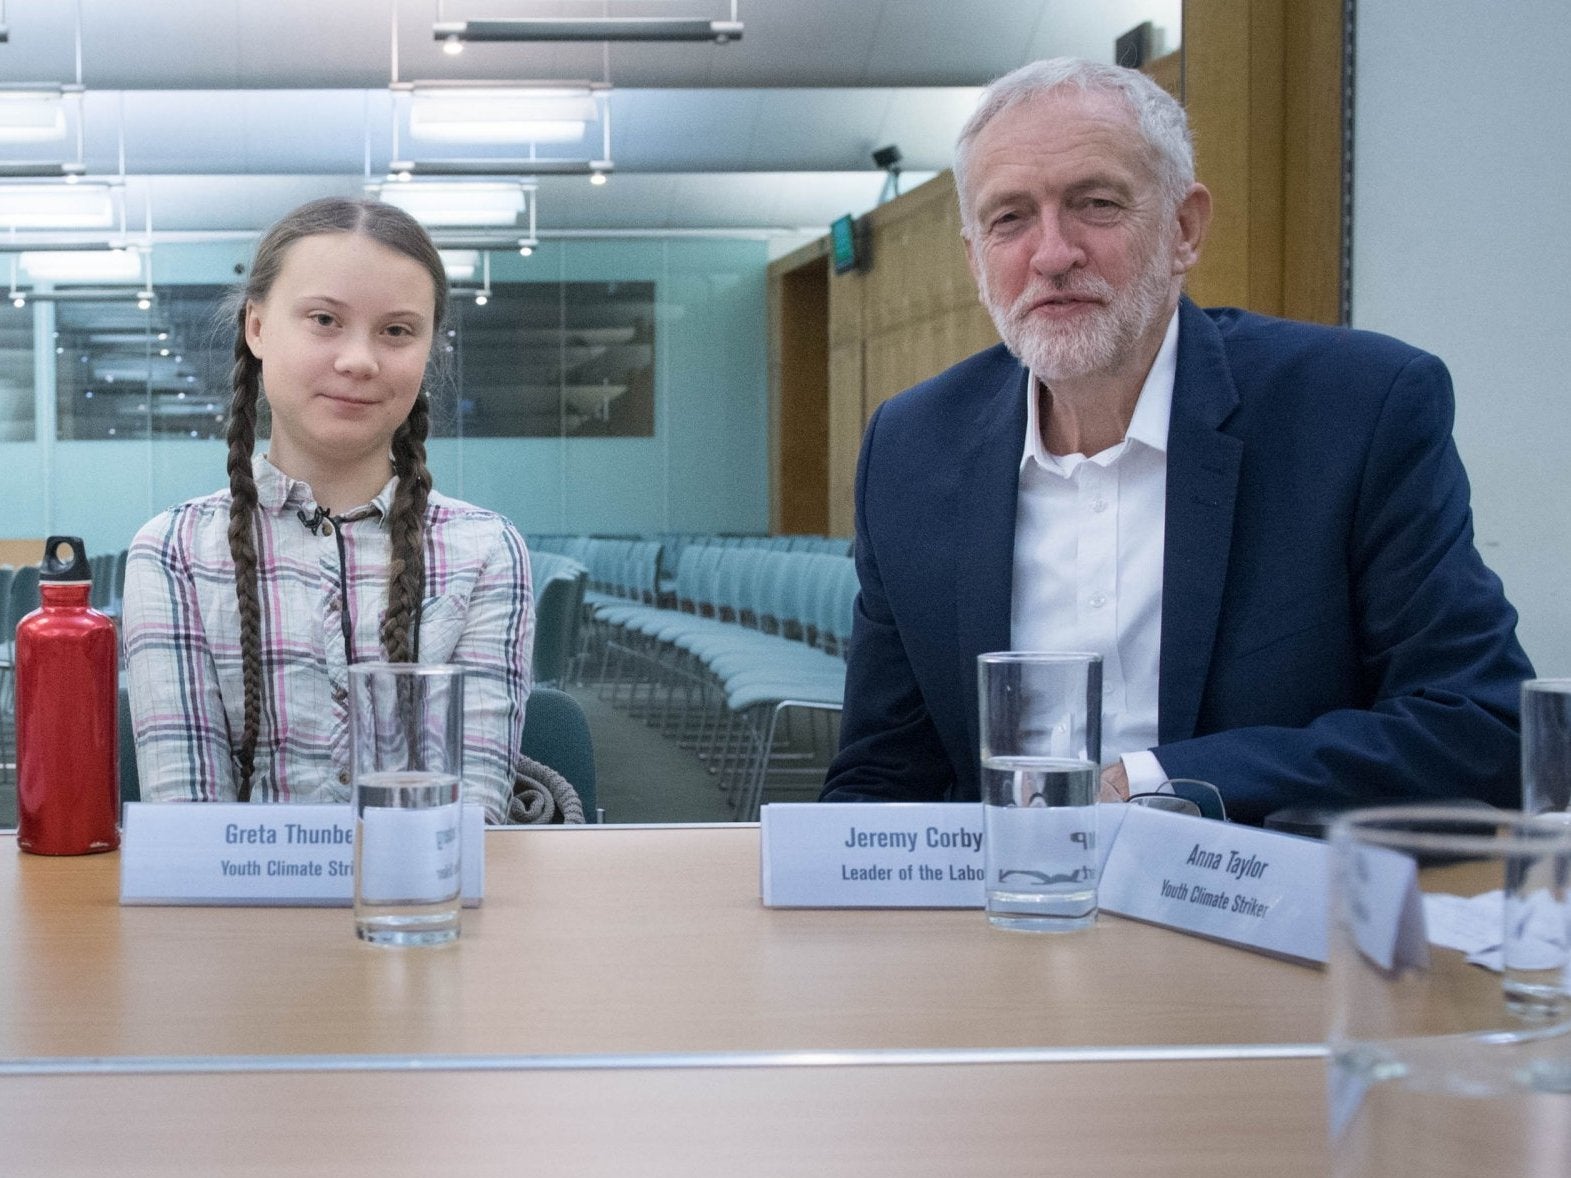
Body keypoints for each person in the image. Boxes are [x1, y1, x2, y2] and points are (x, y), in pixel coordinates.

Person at [819, 58, 1532, 824]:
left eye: (1095, 204)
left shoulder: (1355, 410)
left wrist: (1155, 782)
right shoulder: (911, 447)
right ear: (974, 258)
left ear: (1182, 229)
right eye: (1009, 219)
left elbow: (1482, 725)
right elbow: (882, 773)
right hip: (1007, 918)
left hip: (1264, 922)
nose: (1052, 254)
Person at [123, 197, 532, 823]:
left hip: (418, 911)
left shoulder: (485, 551)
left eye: (397, 331)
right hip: (237, 917)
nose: (359, 360)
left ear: (426, 350)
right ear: (257, 327)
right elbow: (192, 830)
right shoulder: (175, 551)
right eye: (324, 320)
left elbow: (469, 822)